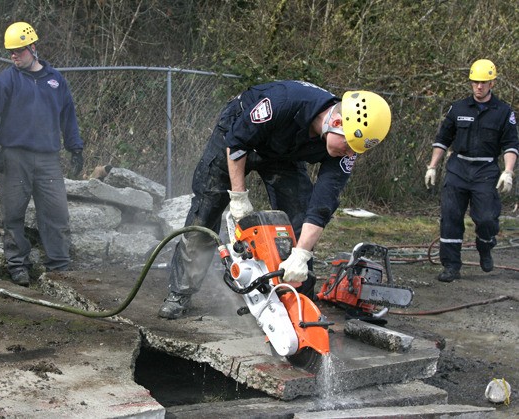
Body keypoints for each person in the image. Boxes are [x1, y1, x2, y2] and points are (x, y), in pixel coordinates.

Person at [158, 80, 392, 319]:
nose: (351, 153)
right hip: (239, 136)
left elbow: (322, 204)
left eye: (356, 150)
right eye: (350, 145)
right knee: (207, 208)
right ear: (337, 122)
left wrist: (301, 254)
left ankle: (299, 302)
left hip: (285, 153)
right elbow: (237, 143)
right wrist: (238, 197)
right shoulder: (281, 102)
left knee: (298, 216)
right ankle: (180, 292)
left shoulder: (344, 149)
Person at [0, 22, 84, 286]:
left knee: (56, 214)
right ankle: (17, 266)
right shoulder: (6, 81)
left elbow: (68, 117)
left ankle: (59, 267)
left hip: (48, 159)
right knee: (13, 215)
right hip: (15, 158)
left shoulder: (56, 81)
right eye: (11, 52)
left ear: (33, 48)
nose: (14, 56)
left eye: (19, 51)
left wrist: (75, 148)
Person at [425, 59, 518, 283]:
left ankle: (485, 247)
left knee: (486, 219)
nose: (479, 86)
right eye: (475, 82)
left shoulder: (503, 112)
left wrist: (508, 171)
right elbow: (442, 140)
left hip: (485, 171)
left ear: (492, 83)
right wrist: (432, 167)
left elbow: (511, 145)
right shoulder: (458, 109)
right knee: (450, 218)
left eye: (484, 82)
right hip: (458, 168)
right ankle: (451, 266)